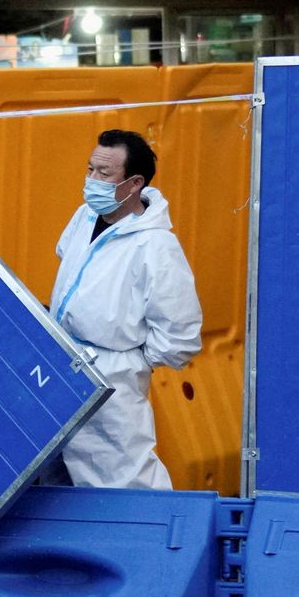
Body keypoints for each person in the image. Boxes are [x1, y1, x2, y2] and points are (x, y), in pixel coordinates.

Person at [46, 129, 203, 489]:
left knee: (123, 478)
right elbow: (68, 262)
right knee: (57, 478)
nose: (92, 181)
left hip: (112, 380)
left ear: (134, 183)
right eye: (90, 170)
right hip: (63, 365)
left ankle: (148, 541)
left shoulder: (157, 247)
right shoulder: (84, 217)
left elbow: (180, 337)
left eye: (104, 174)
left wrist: (127, 362)